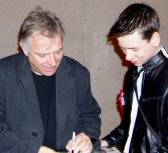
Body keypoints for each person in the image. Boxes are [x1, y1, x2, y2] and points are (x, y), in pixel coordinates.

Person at [0, 6, 101, 153]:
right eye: (43, 55)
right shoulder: (3, 74)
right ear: (24, 48)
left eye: (58, 51)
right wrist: (32, 150)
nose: (53, 62)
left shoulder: (78, 73)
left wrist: (87, 136)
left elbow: (90, 114)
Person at [101, 3, 168, 153]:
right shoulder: (133, 73)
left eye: (134, 49)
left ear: (155, 39)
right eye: (123, 48)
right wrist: (103, 143)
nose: (127, 57)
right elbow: (130, 125)